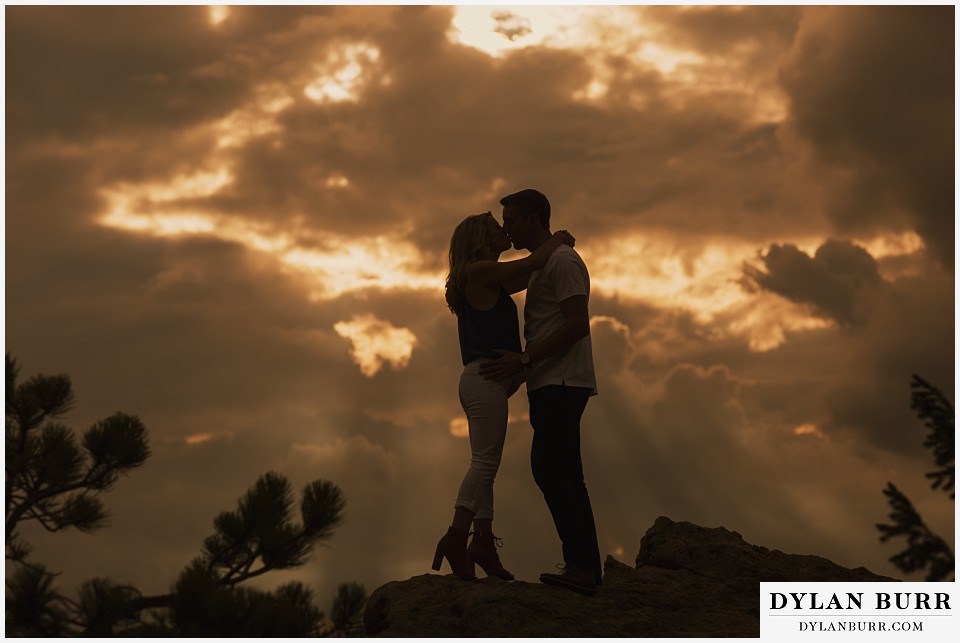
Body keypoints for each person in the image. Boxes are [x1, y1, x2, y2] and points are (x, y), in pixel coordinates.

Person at [433, 211, 575, 581]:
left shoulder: (486, 277)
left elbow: (531, 273)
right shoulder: (479, 271)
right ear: (482, 238)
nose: (505, 230)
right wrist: (557, 238)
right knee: (484, 464)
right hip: (483, 380)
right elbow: (534, 262)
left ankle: (481, 540)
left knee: (486, 464)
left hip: (484, 382)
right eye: (498, 228)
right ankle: (455, 536)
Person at [479, 189, 601, 596]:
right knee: (568, 472)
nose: (507, 228)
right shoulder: (546, 262)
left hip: (561, 380)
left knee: (548, 467)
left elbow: (577, 324)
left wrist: (526, 361)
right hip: (553, 380)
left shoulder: (563, 262)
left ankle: (582, 566)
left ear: (533, 220)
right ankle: (586, 568)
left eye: (511, 221)